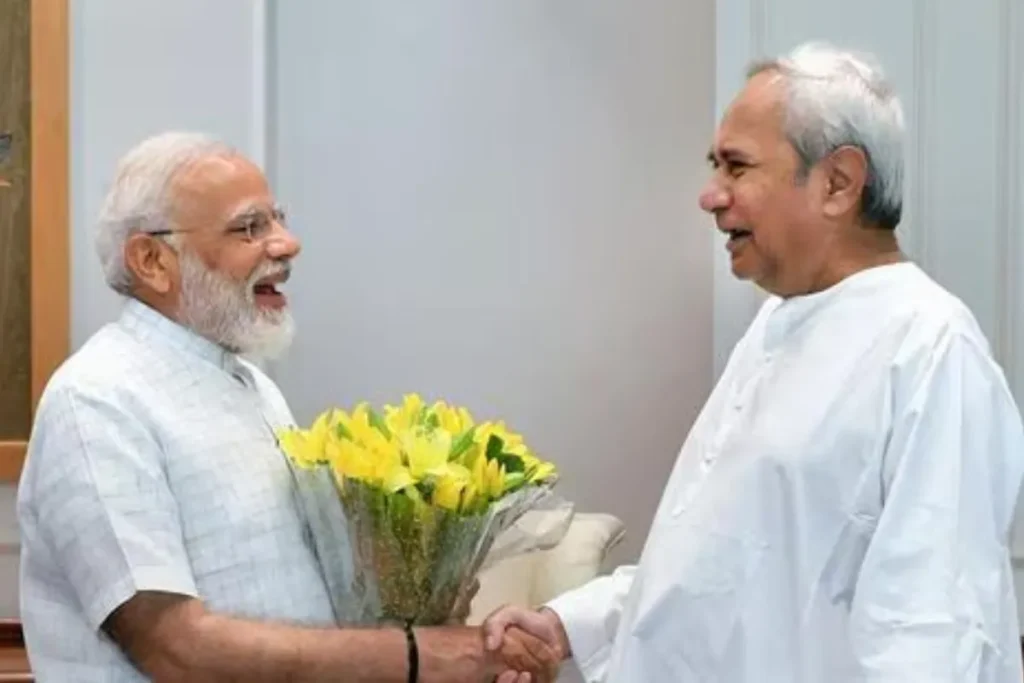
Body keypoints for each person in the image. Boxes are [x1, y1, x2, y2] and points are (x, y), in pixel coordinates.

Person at [483, 41, 1024, 682]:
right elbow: (719, 567)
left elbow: (934, 638)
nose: (710, 197)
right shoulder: (779, 321)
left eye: (736, 168)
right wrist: (569, 624)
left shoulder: (931, 351)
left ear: (838, 183)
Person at [17, 132, 560, 683]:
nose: (287, 244)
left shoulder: (252, 385)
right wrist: (425, 656)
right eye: (250, 227)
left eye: (277, 220)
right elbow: (176, 649)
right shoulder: (96, 400)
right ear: (153, 260)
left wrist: (446, 624)